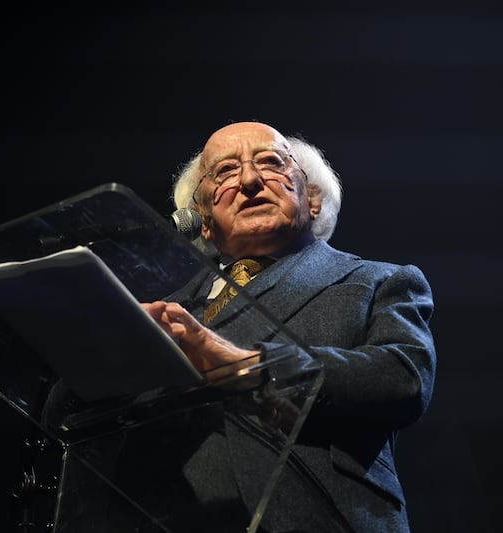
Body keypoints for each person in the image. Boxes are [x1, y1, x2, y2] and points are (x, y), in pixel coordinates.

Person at [138, 121, 437, 532]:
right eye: (224, 171)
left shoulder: (377, 281)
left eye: (271, 162)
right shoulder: (161, 312)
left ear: (311, 200)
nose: (248, 180)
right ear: (201, 220)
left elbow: (404, 380)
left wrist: (253, 367)